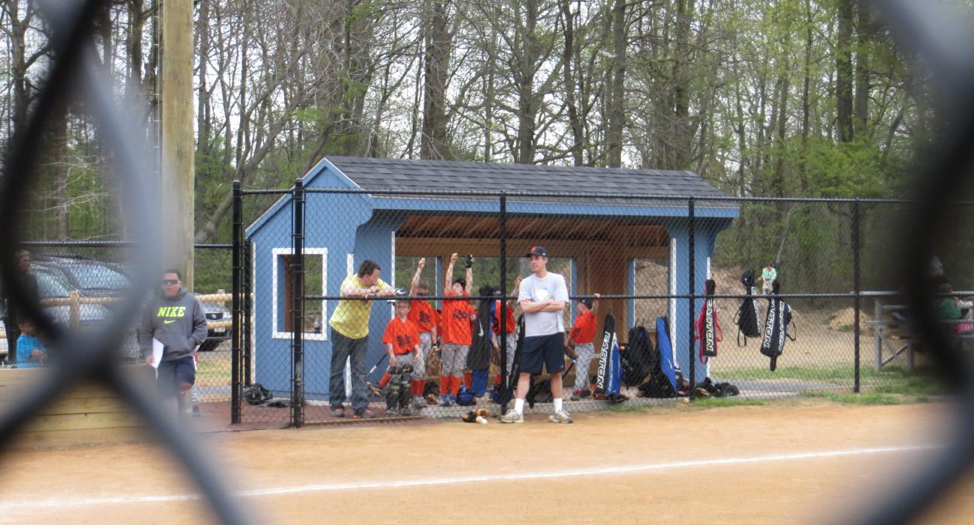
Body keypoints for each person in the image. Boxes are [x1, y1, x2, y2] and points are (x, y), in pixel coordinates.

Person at [501, 246, 571, 424]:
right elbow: (525, 308)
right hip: (533, 335)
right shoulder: (526, 283)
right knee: (525, 372)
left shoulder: (557, 280)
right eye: (532, 258)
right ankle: (518, 412)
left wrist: (537, 304)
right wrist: (548, 301)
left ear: (545, 260)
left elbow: (561, 305)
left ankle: (559, 411)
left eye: (537, 258)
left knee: (556, 372)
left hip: (554, 332)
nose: (533, 261)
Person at [328, 260, 395, 419]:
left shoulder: (376, 283)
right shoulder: (351, 280)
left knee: (359, 370)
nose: (378, 278)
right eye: (375, 276)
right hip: (341, 330)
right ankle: (336, 404)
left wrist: (373, 292)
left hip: (361, 333)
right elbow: (348, 292)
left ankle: (361, 407)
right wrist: (365, 291)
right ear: (366, 276)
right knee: (338, 368)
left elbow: (391, 291)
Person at [368, 258, 438, 408]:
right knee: (406, 366)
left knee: (419, 369)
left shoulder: (428, 306)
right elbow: (413, 287)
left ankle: (410, 394)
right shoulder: (412, 303)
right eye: (421, 291)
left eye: (425, 291)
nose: (423, 294)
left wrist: (434, 343)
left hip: (425, 340)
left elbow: (433, 325)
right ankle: (411, 395)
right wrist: (419, 269)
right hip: (414, 338)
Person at [141, 269, 208, 417]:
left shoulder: (191, 301)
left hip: (184, 354)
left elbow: (202, 327)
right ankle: (176, 421)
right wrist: (148, 353)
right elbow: (145, 332)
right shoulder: (153, 304)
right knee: (166, 396)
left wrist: (189, 342)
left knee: (185, 382)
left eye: (173, 282)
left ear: (180, 283)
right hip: (163, 357)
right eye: (165, 282)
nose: (168, 285)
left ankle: (181, 397)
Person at [439, 253, 476, 407]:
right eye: (455, 286)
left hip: (464, 341)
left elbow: (470, 284)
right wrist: (452, 264)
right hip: (450, 340)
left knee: (458, 369)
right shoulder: (448, 301)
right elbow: (447, 282)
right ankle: (443, 395)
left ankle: (453, 395)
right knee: (447, 368)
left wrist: (469, 267)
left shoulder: (466, 303)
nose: (456, 287)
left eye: (459, 286)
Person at [381, 291, 422, 416]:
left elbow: (415, 342)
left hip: (408, 356)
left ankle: (404, 406)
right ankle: (391, 407)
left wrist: (418, 352)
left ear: (409, 309)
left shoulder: (411, 325)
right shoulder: (392, 324)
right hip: (397, 357)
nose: (401, 310)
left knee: (406, 383)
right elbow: (389, 342)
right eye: (398, 307)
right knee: (394, 383)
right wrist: (392, 356)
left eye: (404, 307)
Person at [2, 250, 39, 366]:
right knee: (15, 341)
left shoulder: (32, 278)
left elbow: (35, 297)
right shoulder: (11, 279)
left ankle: (28, 362)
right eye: (24, 260)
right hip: (14, 315)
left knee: (29, 340)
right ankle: (14, 362)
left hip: (29, 315)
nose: (28, 263)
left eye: (29, 260)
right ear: (18, 263)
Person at [566, 293, 599, 401]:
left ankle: (577, 390)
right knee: (581, 368)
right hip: (578, 347)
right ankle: (585, 390)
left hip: (587, 347)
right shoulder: (579, 318)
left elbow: (594, 310)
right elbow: (572, 332)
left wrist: (595, 300)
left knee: (580, 369)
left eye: (578, 304)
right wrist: (566, 342)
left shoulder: (590, 315)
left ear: (582, 305)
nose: (577, 306)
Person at [492, 277, 521, 388]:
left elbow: (511, 300)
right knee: (504, 365)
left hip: (507, 336)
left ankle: (502, 387)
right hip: (496, 337)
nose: (498, 298)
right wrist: (495, 345)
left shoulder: (504, 306)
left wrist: (517, 288)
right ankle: (501, 387)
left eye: (500, 295)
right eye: (496, 295)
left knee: (507, 366)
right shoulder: (492, 307)